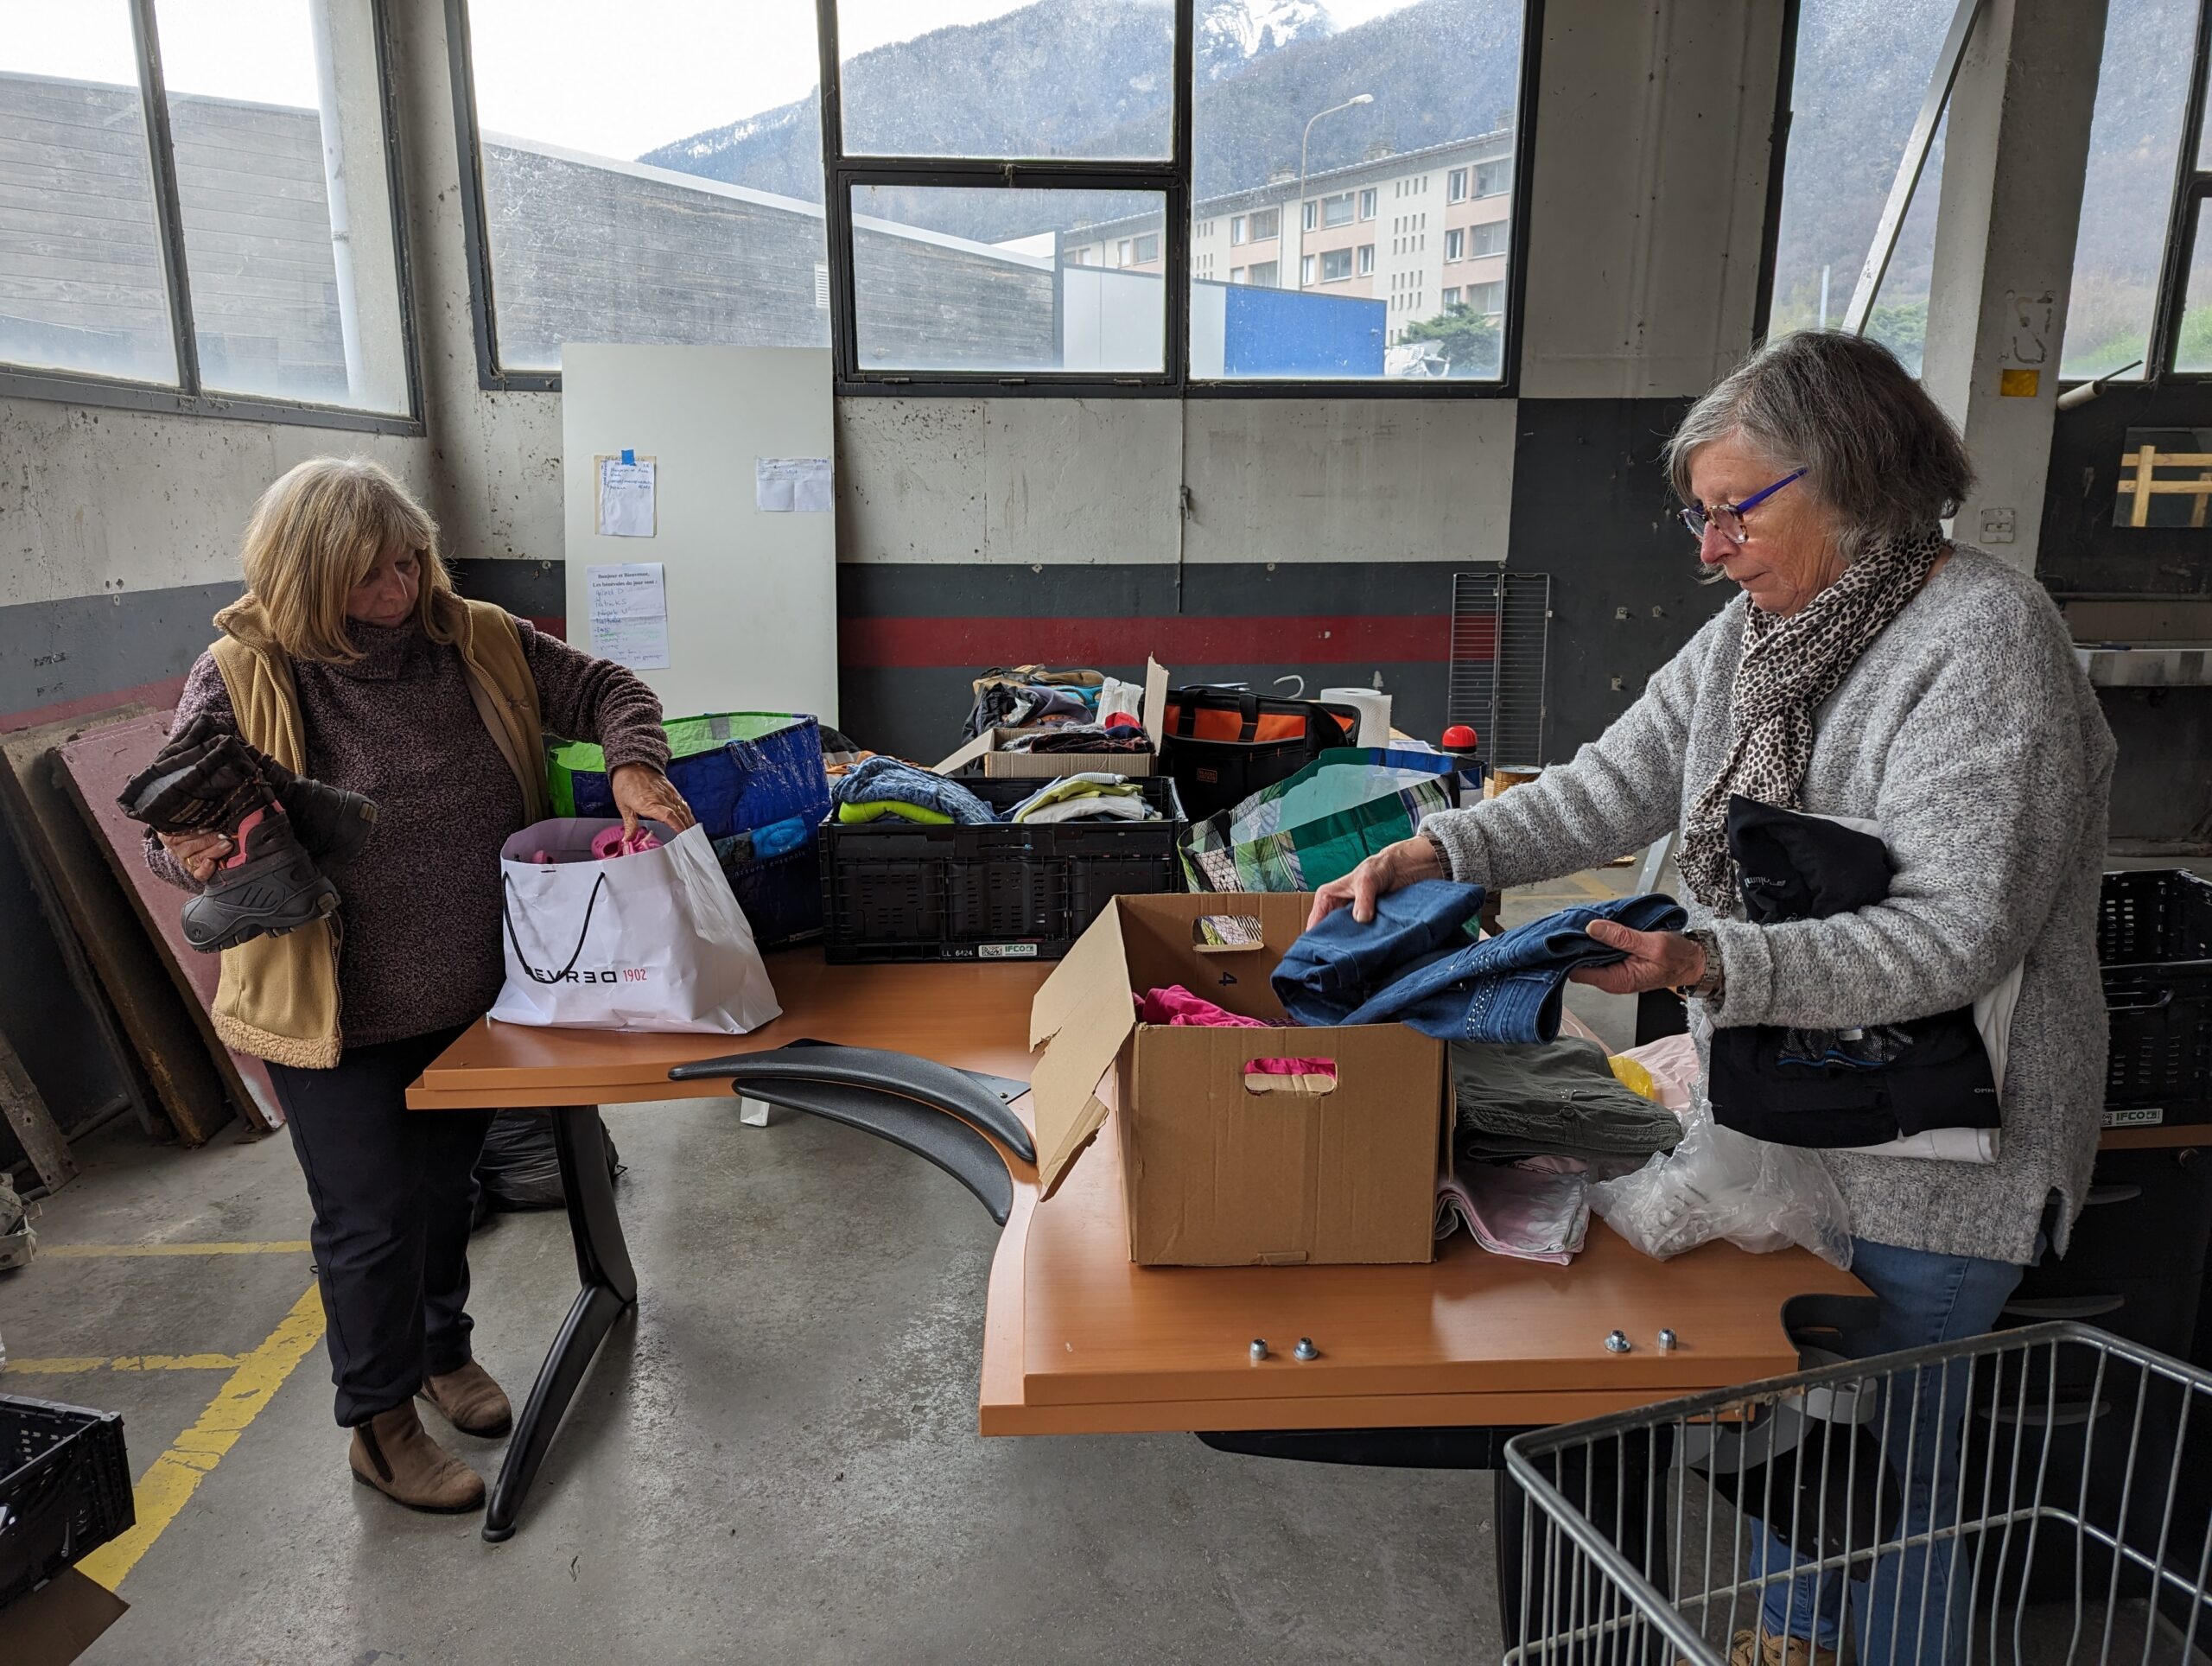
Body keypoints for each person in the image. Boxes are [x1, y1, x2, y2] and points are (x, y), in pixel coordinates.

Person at [1313, 332, 2113, 1666]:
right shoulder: (1762, 634)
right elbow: (1610, 783)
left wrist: (1709, 966)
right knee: (1805, 1442)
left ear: (1851, 479)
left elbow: (1957, 935)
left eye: (1737, 509)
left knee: (1895, 1485)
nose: (1712, 547)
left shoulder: (1985, 645)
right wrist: (1440, 850)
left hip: (1940, 1158)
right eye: (1700, 514)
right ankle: (1793, 1641)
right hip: (1793, 1112)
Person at [145, 457, 693, 1515]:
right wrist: (197, 854)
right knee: (369, 1217)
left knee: (448, 1194)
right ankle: (380, 1424)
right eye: (370, 573)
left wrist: (633, 762)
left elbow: (610, 689)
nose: (401, 587)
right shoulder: (242, 673)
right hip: (333, 1010)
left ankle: (442, 1350)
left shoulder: (475, 637)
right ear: (307, 576)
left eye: (410, 559)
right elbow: (174, 829)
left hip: (474, 994)